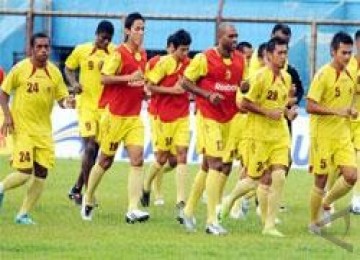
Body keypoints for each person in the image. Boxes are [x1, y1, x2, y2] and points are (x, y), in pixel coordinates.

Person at [219, 37, 296, 237]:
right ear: (269, 56)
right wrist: (266, 112)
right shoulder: (259, 77)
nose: (283, 57)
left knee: (278, 176)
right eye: (279, 53)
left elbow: (281, 104)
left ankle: (269, 225)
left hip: (279, 135)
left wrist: (288, 113)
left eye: (285, 53)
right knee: (253, 180)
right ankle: (230, 199)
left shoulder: (286, 78)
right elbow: (244, 104)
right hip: (258, 136)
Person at [82, 12, 150, 224]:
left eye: (143, 29)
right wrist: (128, 78)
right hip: (115, 117)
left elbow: (139, 81)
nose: (140, 32)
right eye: (137, 28)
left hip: (134, 118)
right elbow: (104, 78)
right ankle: (88, 196)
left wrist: (144, 89)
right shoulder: (118, 53)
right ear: (127, 31)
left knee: (138, 160)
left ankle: (132, 208)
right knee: (105, 160)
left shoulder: (143, 54)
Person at [0, 33, 75, 224]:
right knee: (24, 172)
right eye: (39, 46)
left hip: (44, 131)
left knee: (42, 172)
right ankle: (1, 187)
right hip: (23, 129)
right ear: (31, 49)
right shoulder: (20, 69)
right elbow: (3, 92)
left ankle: (23, 214)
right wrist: (7, 117)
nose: (43, 50)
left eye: (46, 47)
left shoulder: (54, 72)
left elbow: (61, 100)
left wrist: (69, 103)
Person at [181, 23, 246, 235]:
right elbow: (185, 82)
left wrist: (245, 86)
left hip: (230, 118)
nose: (235, 40)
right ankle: (211, 221)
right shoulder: (204, 58)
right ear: (220, 37)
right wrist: (207, 95)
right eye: (231, 36)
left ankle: (188, 211)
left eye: (236, 36)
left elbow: (240, 84)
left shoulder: (240, 59)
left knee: (208, 166)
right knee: (216, 163)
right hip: (208, 116)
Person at [307, 31, 357, 231]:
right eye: (343, 53)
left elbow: (347, 101)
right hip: (322, 136)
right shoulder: (322, 75)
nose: (347, 57)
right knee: (321, 179)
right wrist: (337, 111)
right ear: (333, 52)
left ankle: (327, 201)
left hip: (342, 135)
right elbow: (310, 106)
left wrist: (351, 111)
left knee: (352, 176)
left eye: (349, 53)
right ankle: (313, 222)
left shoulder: (350, 77)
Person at [141, 29, 192, 222]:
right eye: (182, 50)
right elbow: (149, 86)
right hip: (162, 116)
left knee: (181, 155)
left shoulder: (190, 65)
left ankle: (181, 200)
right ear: (173, 49)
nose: (185, 54)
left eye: (187, 50)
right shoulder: (163, 64)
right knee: (161, 158)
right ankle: (146, 185)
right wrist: (172, 90)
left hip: (182, 116)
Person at [65, 20, 115, 205]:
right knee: (90, 146)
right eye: (103, 38)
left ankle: (76, 188)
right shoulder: (82, 50)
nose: (105, 43)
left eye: (109, 40)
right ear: (96, 34)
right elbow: (69, 68)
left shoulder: (114, 52)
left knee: (98, 153)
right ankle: (88, 194)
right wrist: (73, 83)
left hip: (106, 109)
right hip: (86, 105)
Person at [145, 34, 178, 206]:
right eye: (174, 48)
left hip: (175, 115)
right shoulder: (155, 62)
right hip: (157, 114)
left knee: (173, 162)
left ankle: (150, 176)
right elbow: (147, 83)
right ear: (169, 47)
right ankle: (157, 194)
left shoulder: (183, 64)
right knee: (161, 156)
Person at [348, 30, 360, 214]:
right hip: (344, 118)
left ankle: (356, 199)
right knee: (337, 163)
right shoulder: (348, 64)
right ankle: (327, 197)